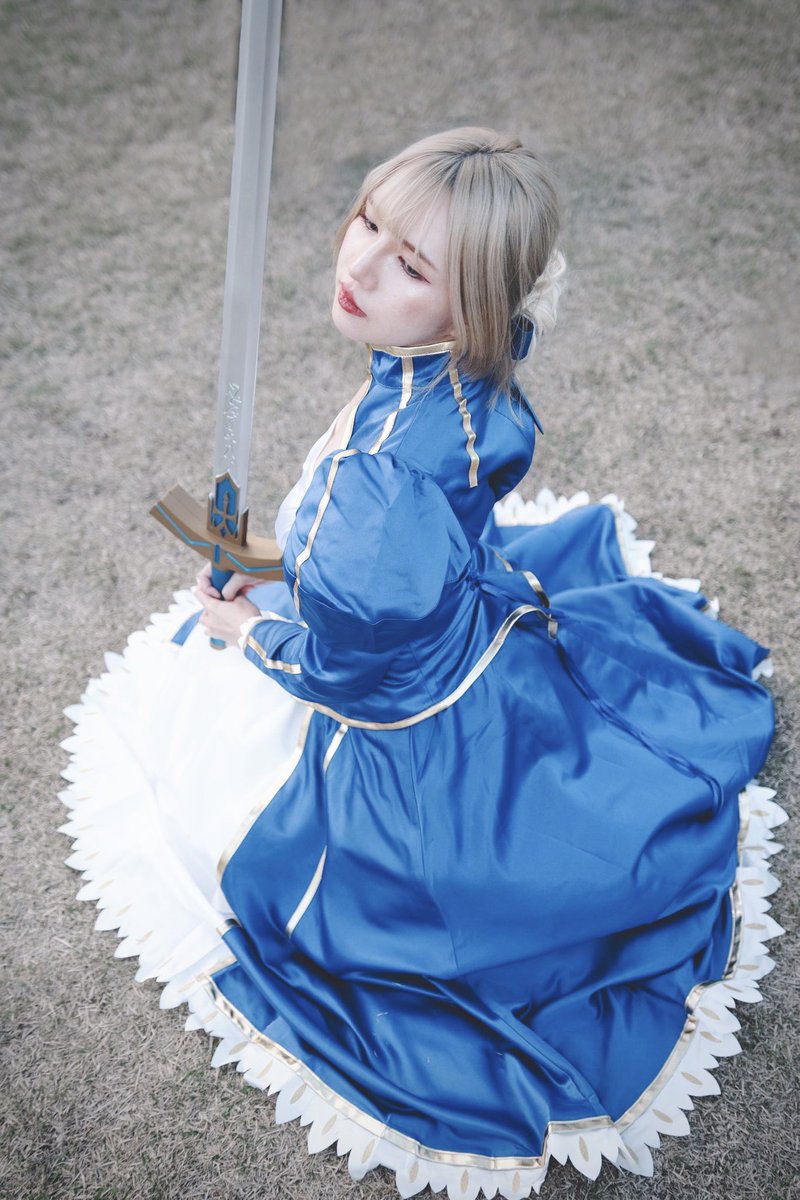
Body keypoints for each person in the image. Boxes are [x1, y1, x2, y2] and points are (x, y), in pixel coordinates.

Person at [61, 129, 782, 1200]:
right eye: (368, 222)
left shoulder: (377, 485)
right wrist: (297, 561)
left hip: (399, 750)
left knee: (221, 810)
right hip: (461, 633)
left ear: (471, 309)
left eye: (408, 265)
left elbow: (355, 677)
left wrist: (249, 630)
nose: (357, 266)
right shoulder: (456, 380)